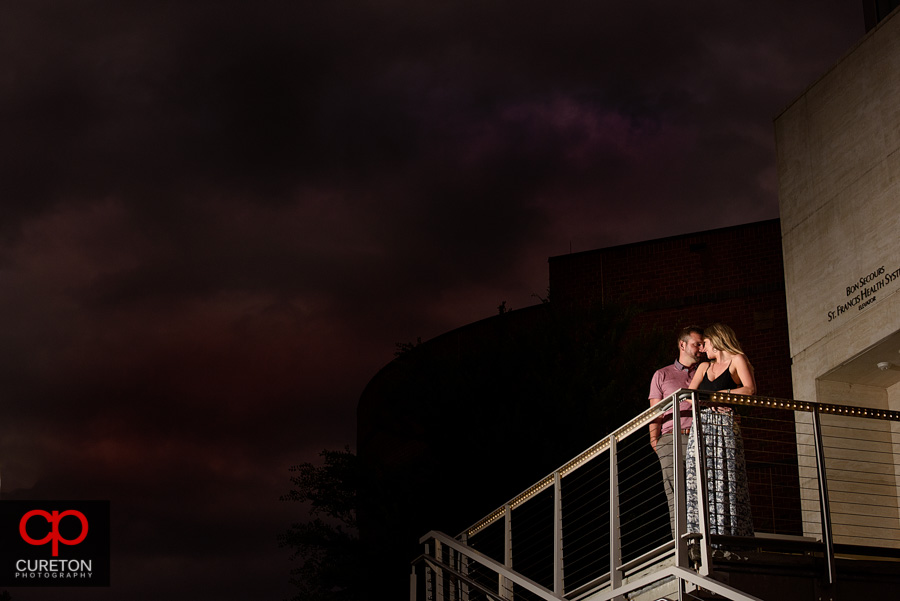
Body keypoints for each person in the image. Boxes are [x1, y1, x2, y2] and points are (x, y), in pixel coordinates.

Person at [685, 323, 755, 537]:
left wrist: (723, 394)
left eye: (705, 343)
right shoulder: (704, 367)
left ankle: (730, 534)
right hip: (703, 425)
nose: (703, 349)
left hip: (725, 425)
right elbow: (689, 394)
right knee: (700, 477)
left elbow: (750, 389)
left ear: (717, 340)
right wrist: (710, 402)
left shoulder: (737, 359)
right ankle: (701, 534)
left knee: (726, 475)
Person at [649, 326, 704, 534]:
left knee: (701, 490)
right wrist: (656, 442)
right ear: (682, 345)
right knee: (675, 493)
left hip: (698, 438)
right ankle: (682, 543)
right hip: (671, 439)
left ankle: (705, 540)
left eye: (702, 344)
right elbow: (655, 413)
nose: (700, 348)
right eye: (696, 344)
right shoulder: (662, 375)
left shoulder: (705, 371)